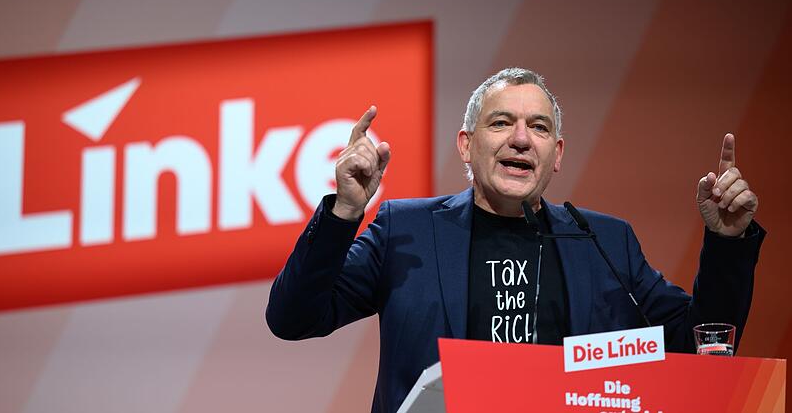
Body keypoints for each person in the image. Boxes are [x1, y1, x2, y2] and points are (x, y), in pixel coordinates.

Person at [266, 67, 765, 413]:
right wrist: (346, 211)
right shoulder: (406, 231)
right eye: (501, 122)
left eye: (539, 128)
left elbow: (705, 344)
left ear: (558, 153)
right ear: (467, 144)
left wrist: (727, 242)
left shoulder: (603, 243)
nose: (521, 138)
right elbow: (293, 317)